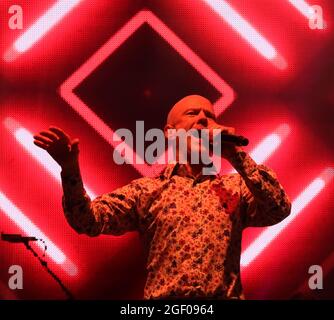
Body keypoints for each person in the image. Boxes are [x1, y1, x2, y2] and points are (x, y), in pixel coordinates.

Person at [33, 95, 291, 299]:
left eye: (209, 116)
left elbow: (278, 208)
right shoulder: (147, 191)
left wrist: (235, 154)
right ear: (170, 132)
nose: (203, 119)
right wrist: (69, 169)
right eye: (192, 113)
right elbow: (87, 220)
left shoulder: (235, 188)